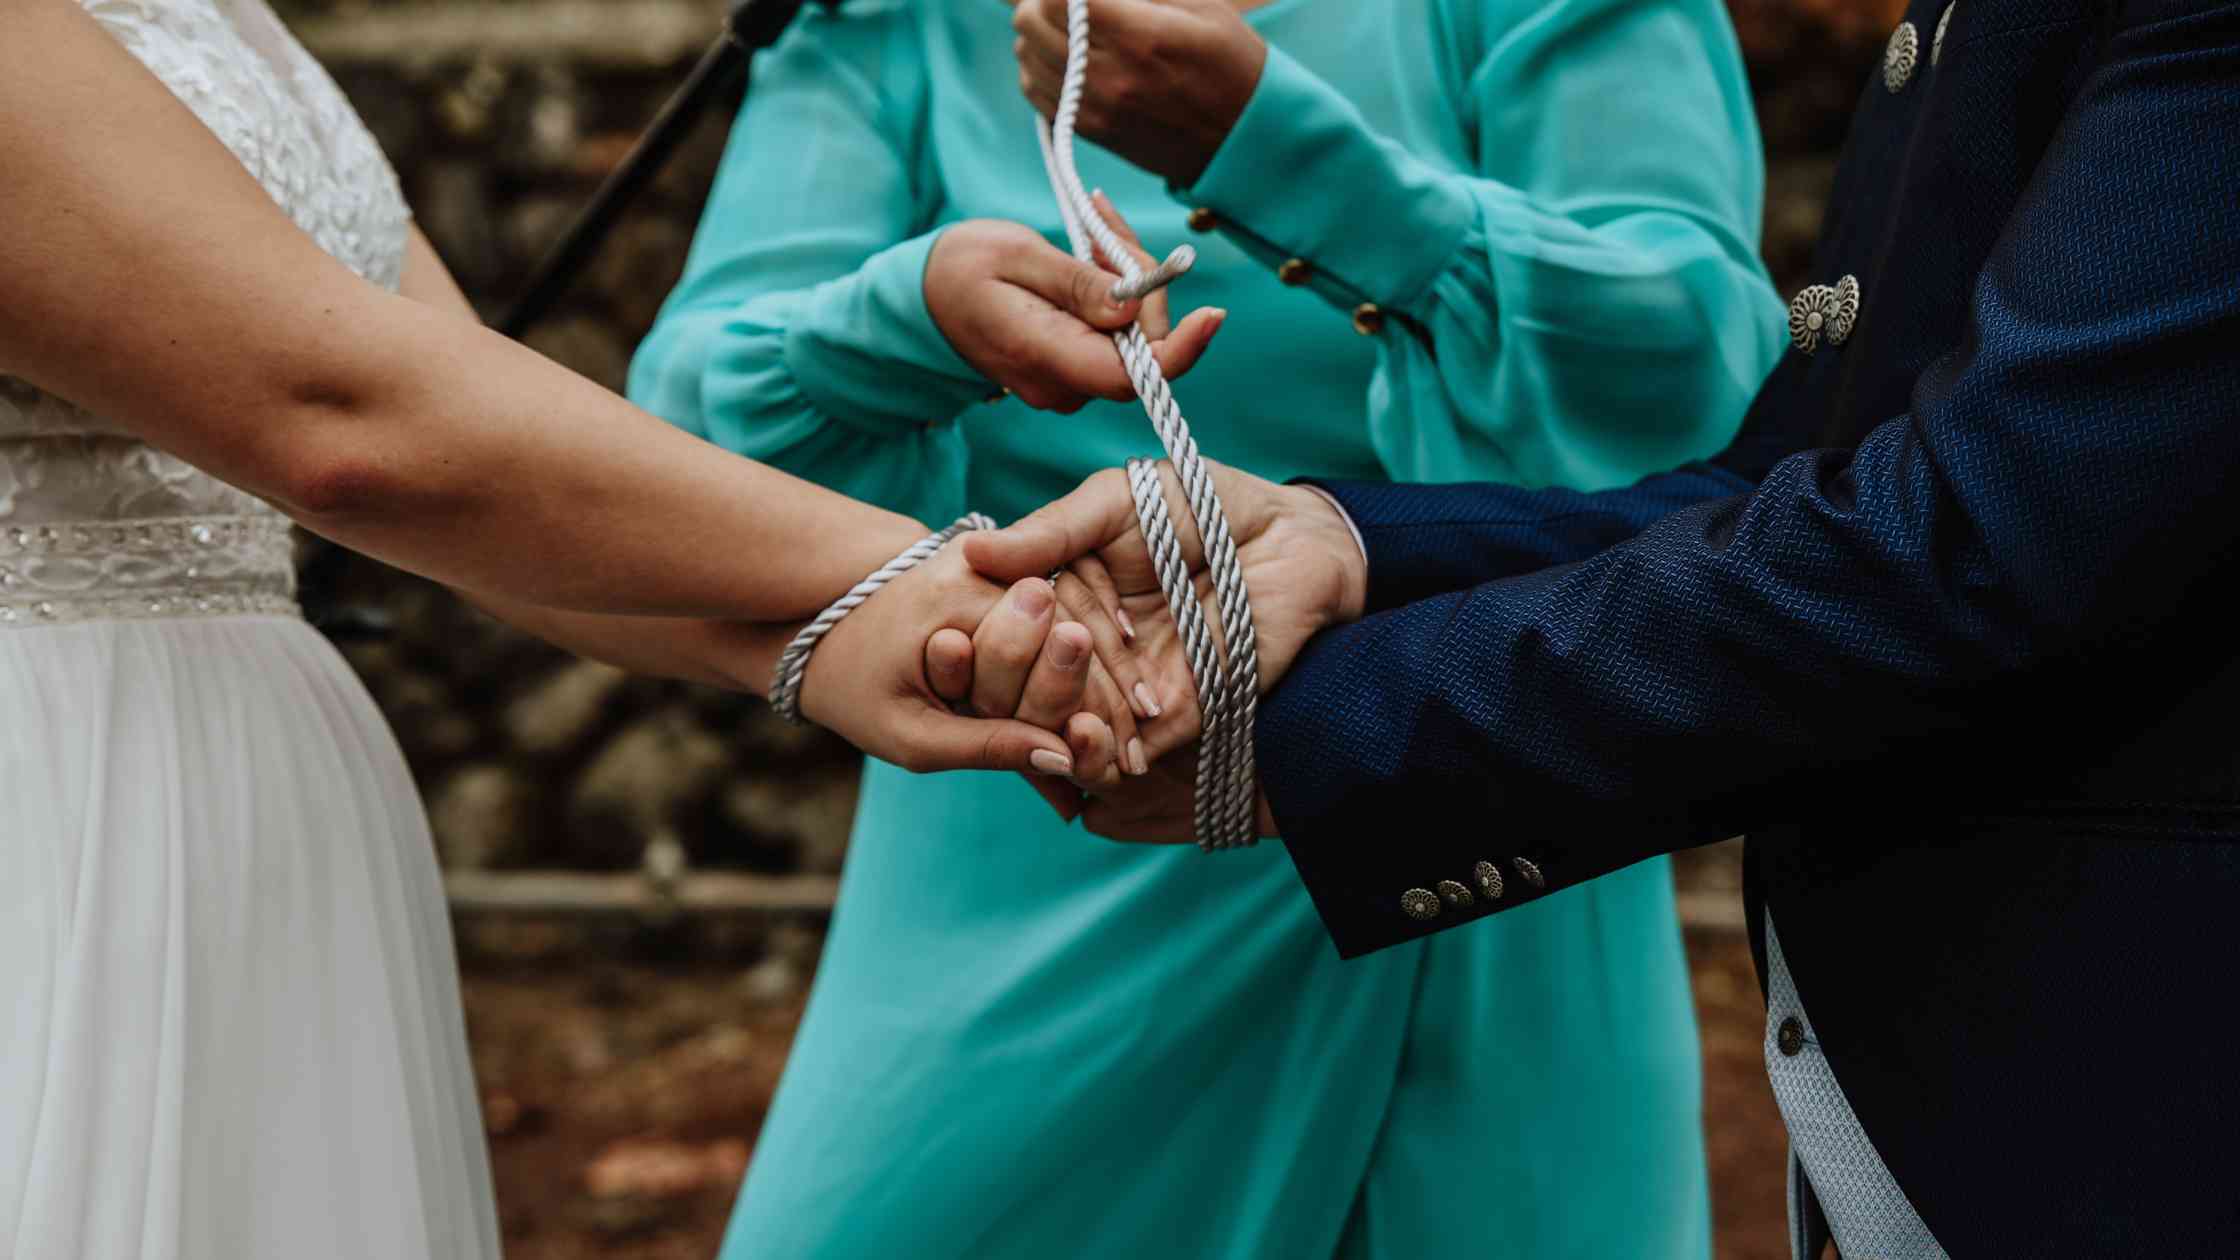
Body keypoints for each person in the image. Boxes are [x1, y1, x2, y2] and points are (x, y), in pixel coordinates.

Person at [977, 0, 2240, 1254]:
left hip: (2111, 1095)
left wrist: (1322, 730)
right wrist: (1353, 547)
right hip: (1944, 1081)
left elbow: (1959, 538)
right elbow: (1811, 474)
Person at [0, 0, 1179, 1253]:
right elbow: (345, 422)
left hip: (258, 827)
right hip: (59, 809)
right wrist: (930, 573)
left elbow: (485, 503)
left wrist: (821, 640)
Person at [628, 0, 1783, 1254]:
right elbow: (680, 461)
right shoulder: (889, 23)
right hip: (1033, 848)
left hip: (1458, 823)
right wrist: (909, 319)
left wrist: (1285, 156)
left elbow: (1697, 379)